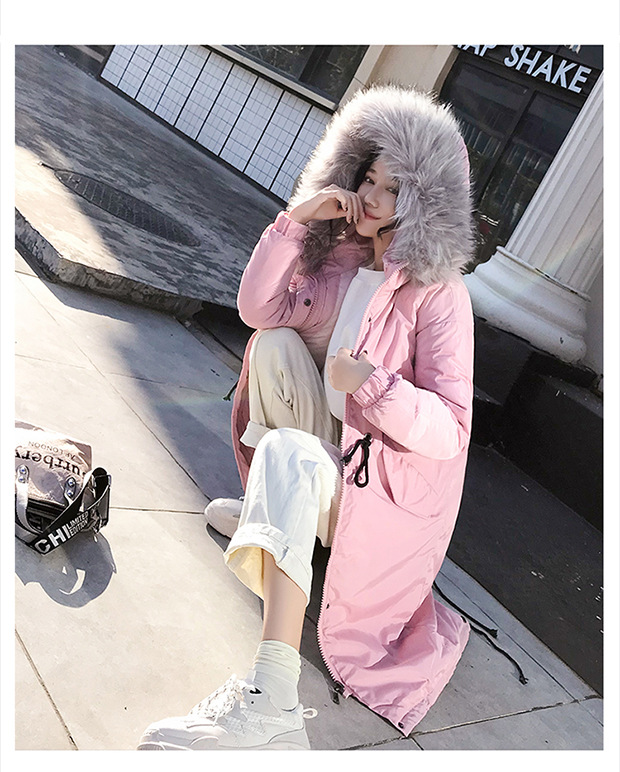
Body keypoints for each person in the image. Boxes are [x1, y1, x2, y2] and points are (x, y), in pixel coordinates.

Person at [138, 84, 476, 751]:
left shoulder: (440, 295)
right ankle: (275, 510)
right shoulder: (341, 258)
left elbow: (450, 429)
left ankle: (273, 702)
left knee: (290, 452)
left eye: (393, 188)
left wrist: (375, 384)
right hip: (329, 453)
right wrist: (296, 220)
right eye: (368, 178)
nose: (371, 197)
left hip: (380, 490)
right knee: (273, 345)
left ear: (425, 201)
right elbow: (258, 310)